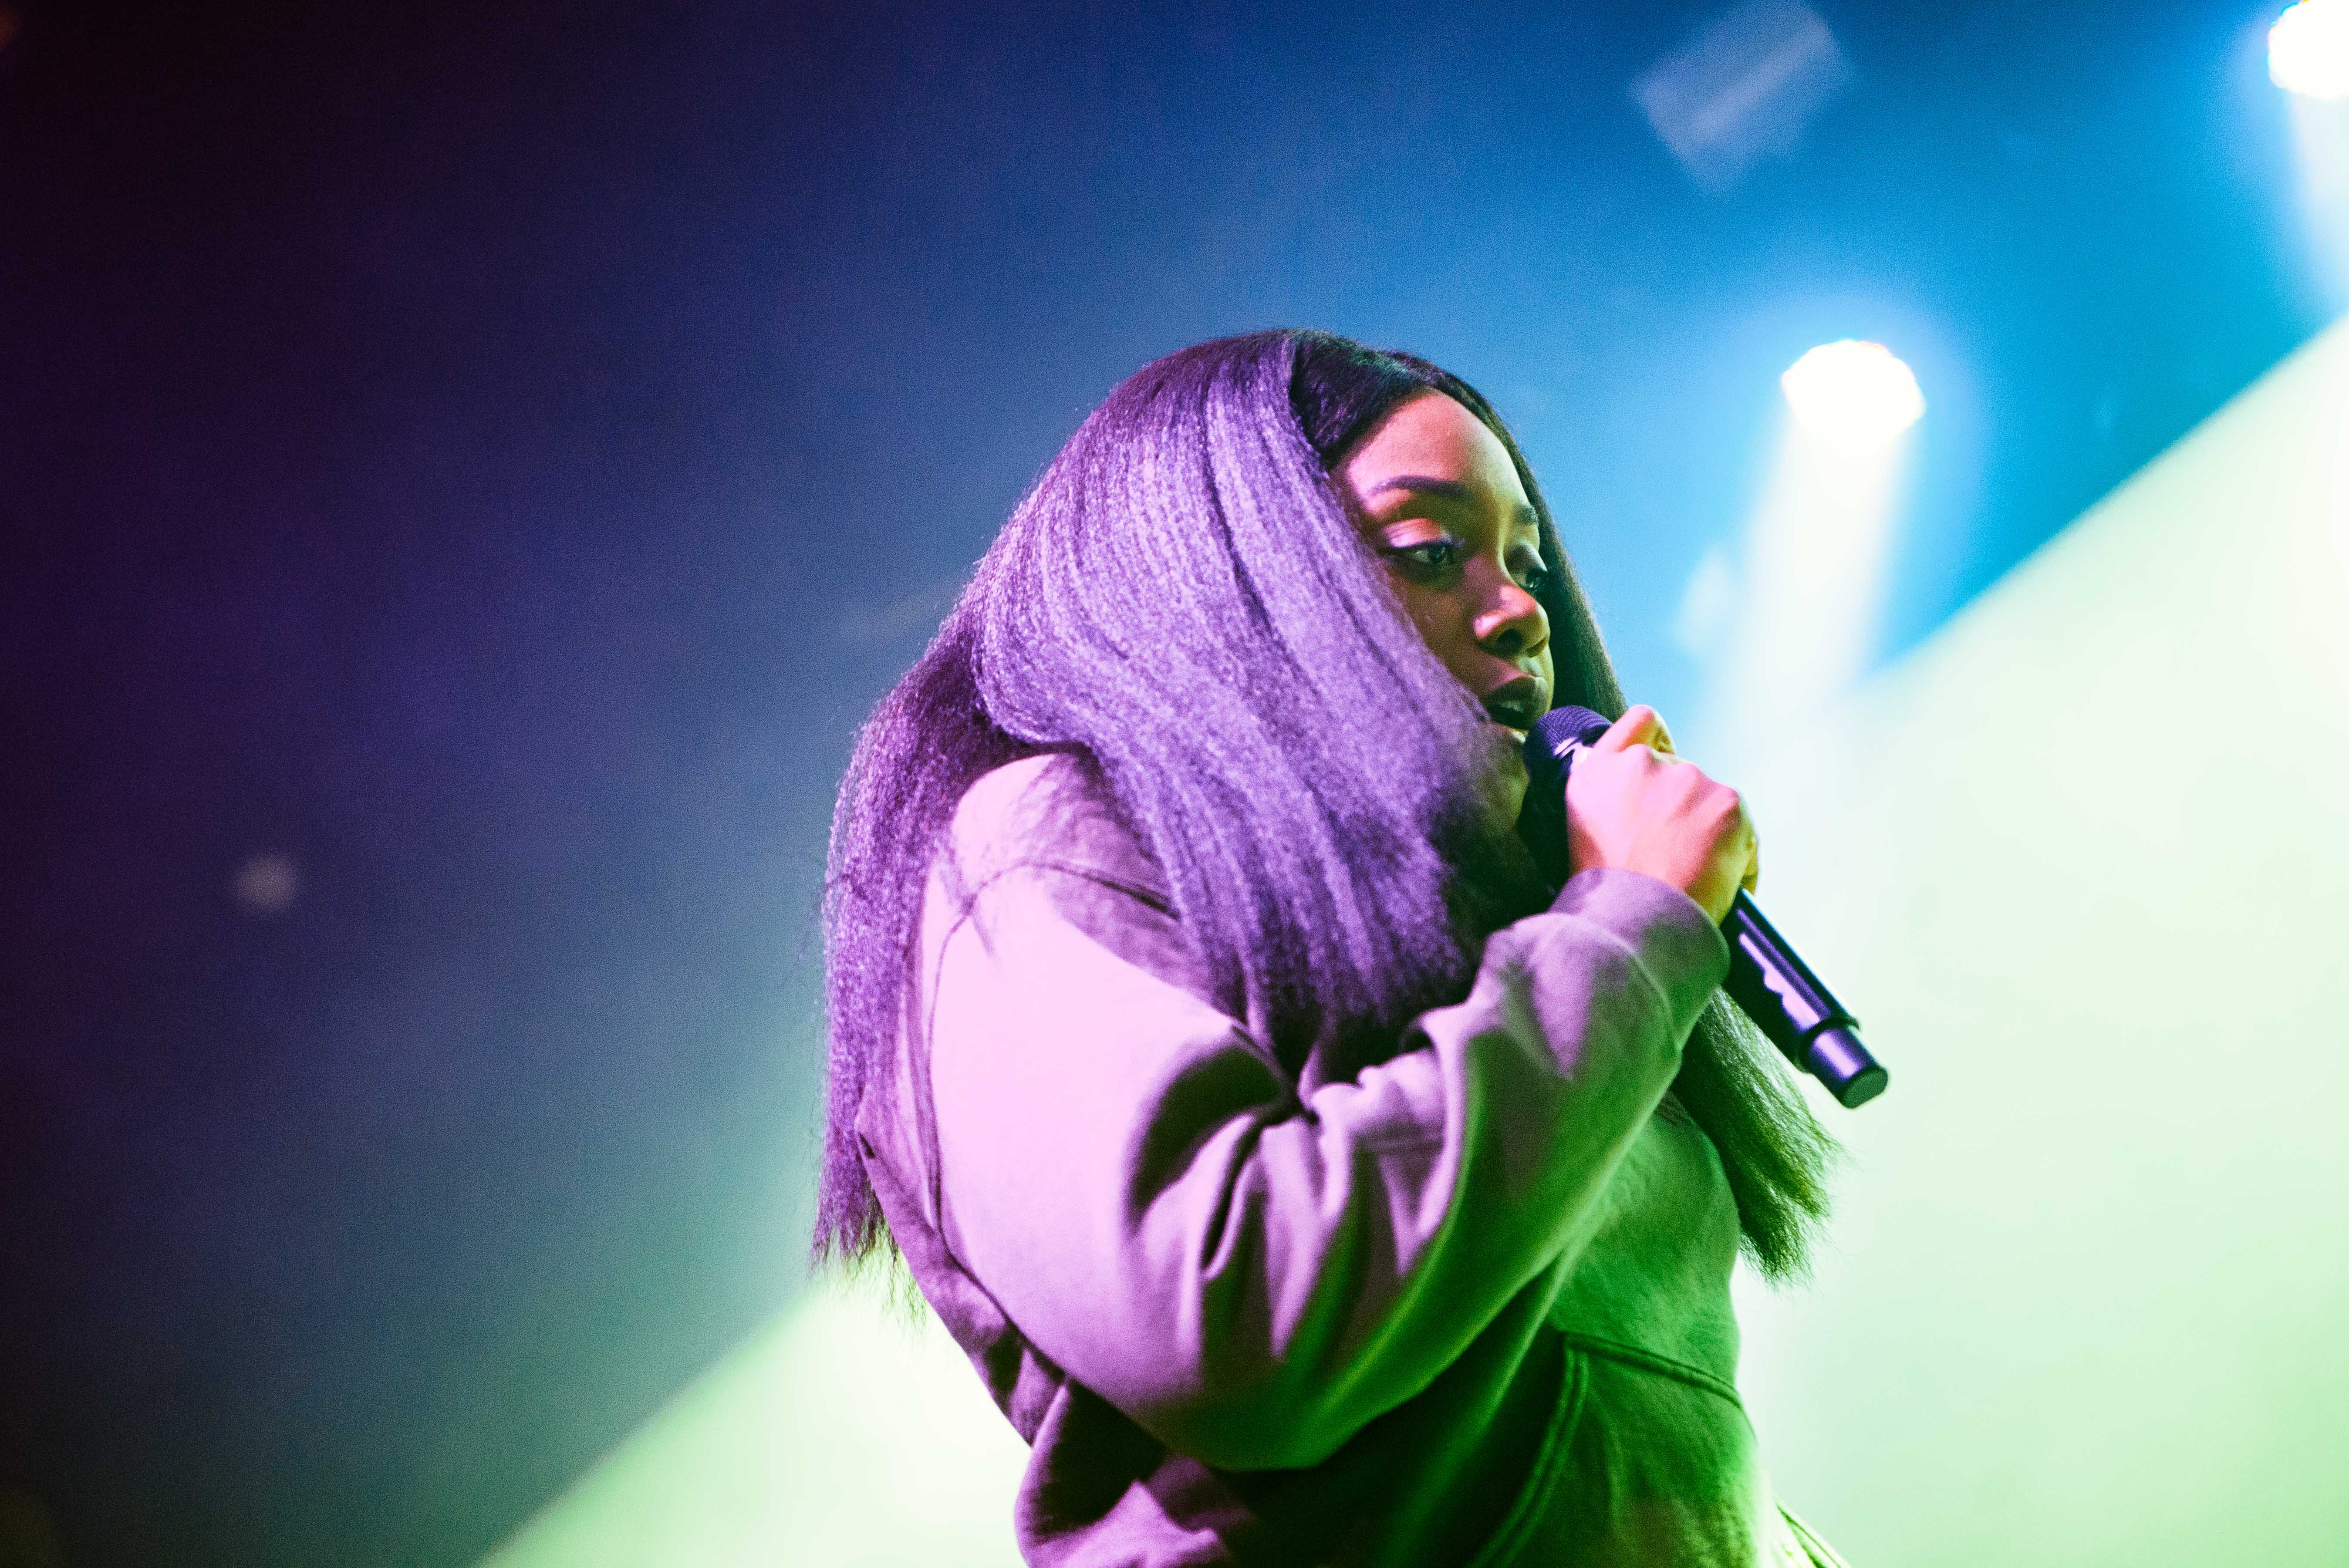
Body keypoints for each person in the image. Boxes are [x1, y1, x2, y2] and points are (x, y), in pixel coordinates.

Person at [817, 330, 1846, 1566]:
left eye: (1524, 562)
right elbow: (1231, 1322)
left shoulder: (1527, 955)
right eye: (1429, 551)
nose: (1521, 610)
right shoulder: (1042, 844)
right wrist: (1626, 928)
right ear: (1227, 574)